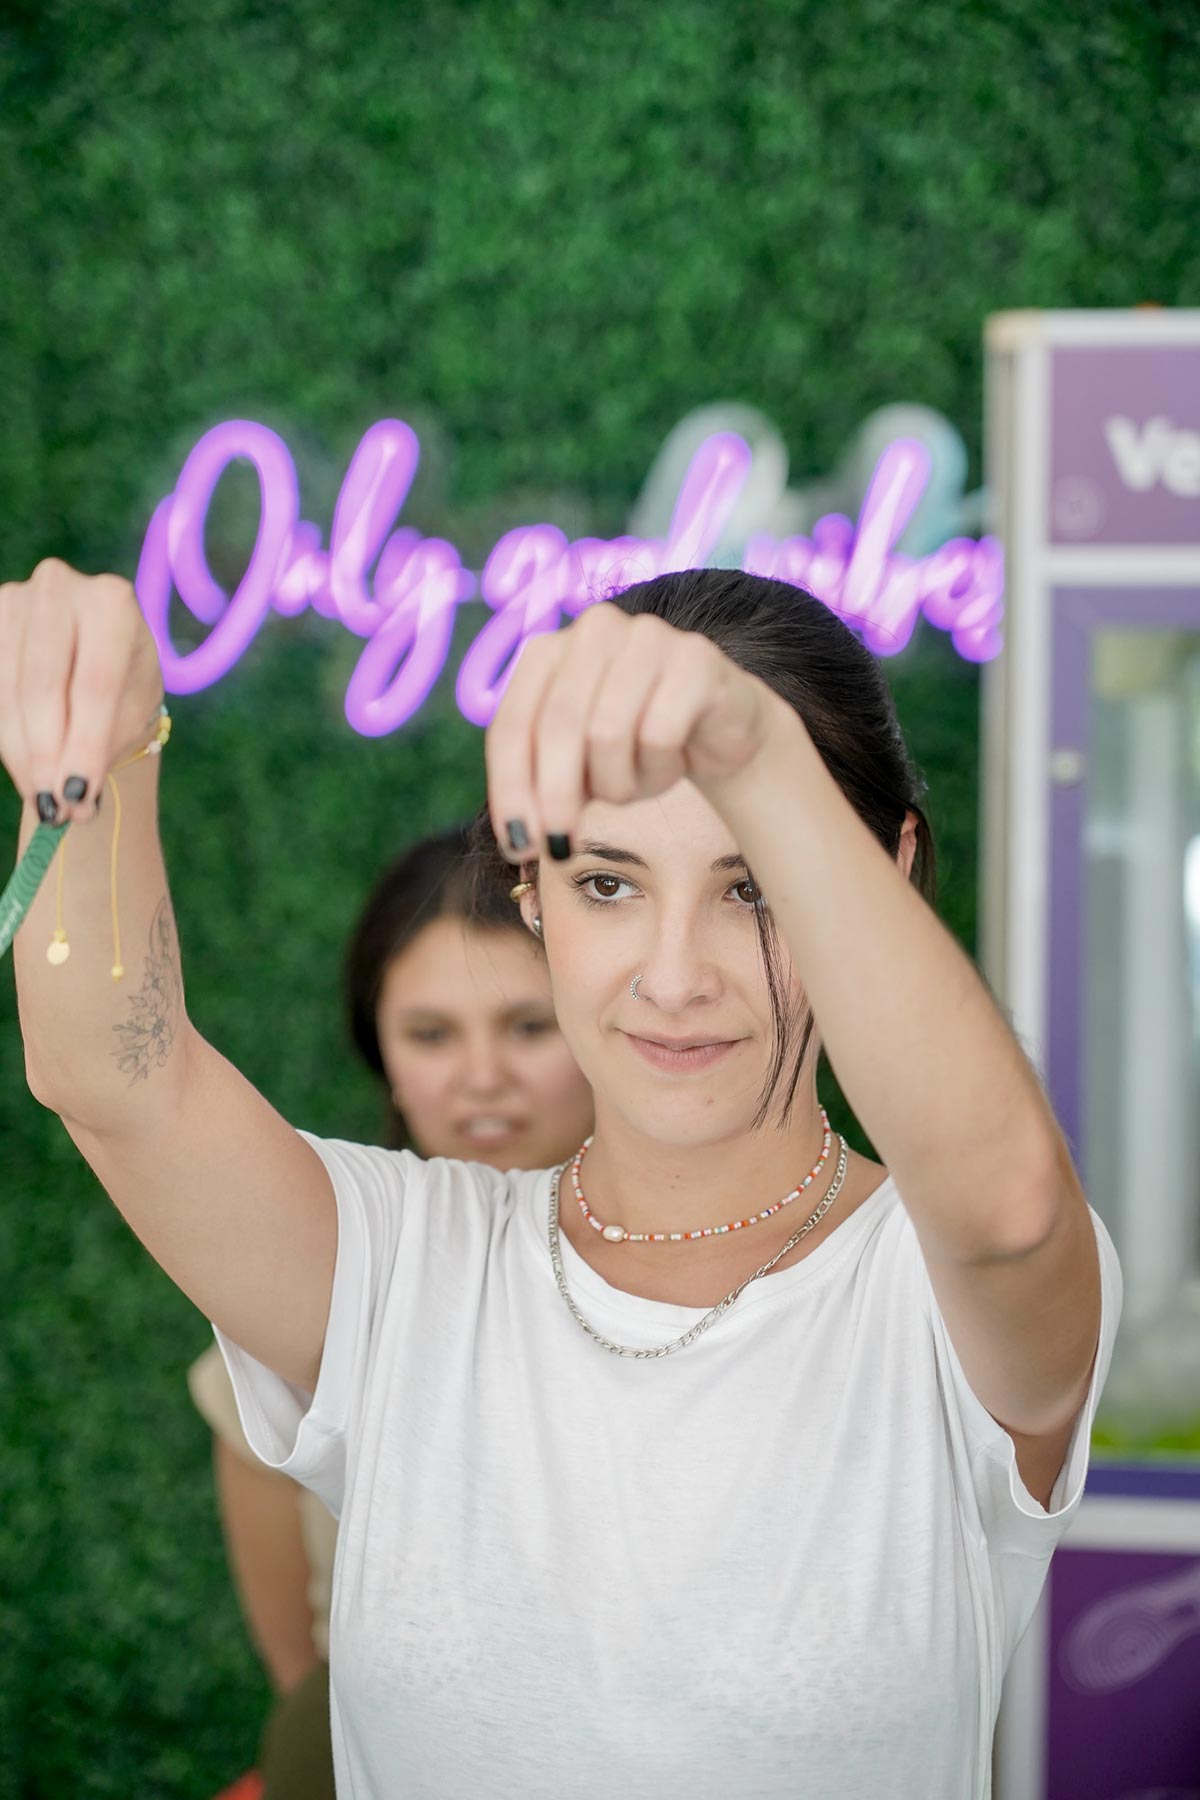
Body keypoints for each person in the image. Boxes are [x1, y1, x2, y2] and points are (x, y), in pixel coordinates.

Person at [2, 559, 1119, 1800]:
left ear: (889, 866)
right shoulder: (399, 1271)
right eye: (608, 884)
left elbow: (1012, 1214)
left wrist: (757, 751)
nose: (676, 978)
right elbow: (113, 1077)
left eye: (756, 885)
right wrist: (102, 751)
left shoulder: (930, 1291)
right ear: (530, 891)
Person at [189, 825, 595, 1799]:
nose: (482, 1076)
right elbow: (305, 1678)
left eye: (529, 1025)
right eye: (431, 1034)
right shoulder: (288, 1302)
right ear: (380, 1048)